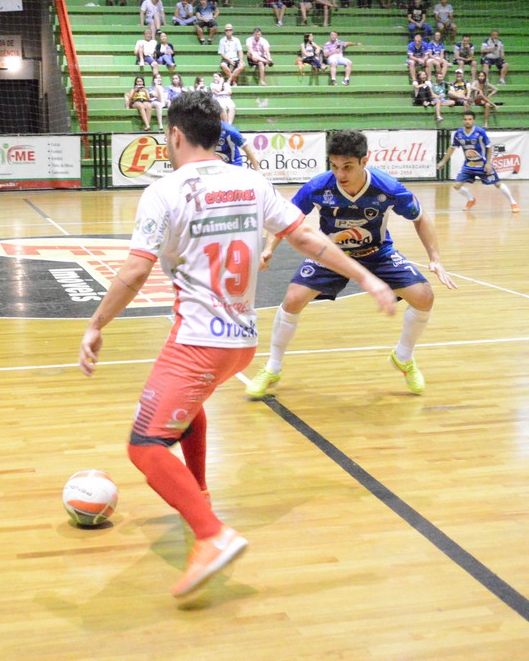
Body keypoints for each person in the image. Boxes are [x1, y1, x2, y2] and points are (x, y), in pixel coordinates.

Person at [78, 93, 396, 599]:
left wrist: (96, 325)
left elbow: (136, 270)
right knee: (188, 409)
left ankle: (211, 534)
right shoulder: (251, 181)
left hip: (199, 339)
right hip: (240, 342)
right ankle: (199, 494)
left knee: (145, 446)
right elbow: (309, 241)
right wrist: (368, 278)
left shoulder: (164, 191)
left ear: (176, 135)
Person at [246, 128, 452, 401]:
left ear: (364, 161)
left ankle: (403, 357)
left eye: (347, 167)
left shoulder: (387, 187)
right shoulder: (319, 187)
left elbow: (421, 217)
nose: (340, 174)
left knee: (424, 298)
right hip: (331, 255)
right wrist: (268, 248)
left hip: (377, 252)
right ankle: (272, 367)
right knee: (293, 299)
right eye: (334, 166)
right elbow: (285, 218)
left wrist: (435, 259)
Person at [437, 111, 519, 213]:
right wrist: (443, 162)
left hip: (482, 165)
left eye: (470, 119)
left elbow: (489, 148)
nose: (467, 121)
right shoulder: (459, 133)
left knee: (497, 184)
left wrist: (488, 163)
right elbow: (452, 148)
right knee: (457, 186)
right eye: (465, 119)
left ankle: (513, 202)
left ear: (473, 121)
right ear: (463, 121)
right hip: (468, 165)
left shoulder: (480, 132)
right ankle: (471, 200)